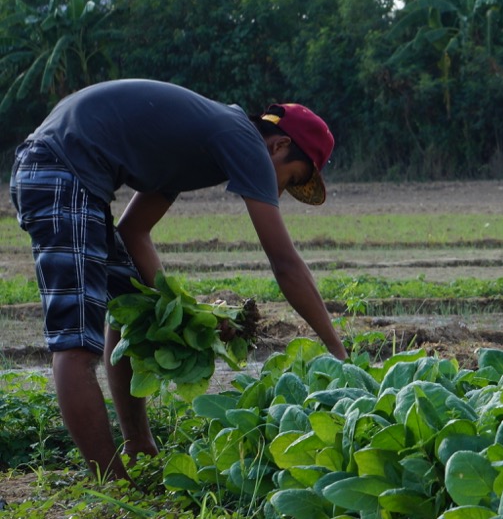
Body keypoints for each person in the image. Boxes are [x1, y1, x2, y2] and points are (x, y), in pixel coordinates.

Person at [8, 78, 349, 481]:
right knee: (77, 344)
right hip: (60, 171)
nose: (282, 189)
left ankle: (138, 444)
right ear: (279, 146)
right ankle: (113, 484)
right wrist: (337, 351)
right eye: (292, 178)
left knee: (132, 310)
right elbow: (285, 264)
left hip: (67, 172)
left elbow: (134, 232)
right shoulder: (243, 141)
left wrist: (185, 315)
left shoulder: (196, 143)